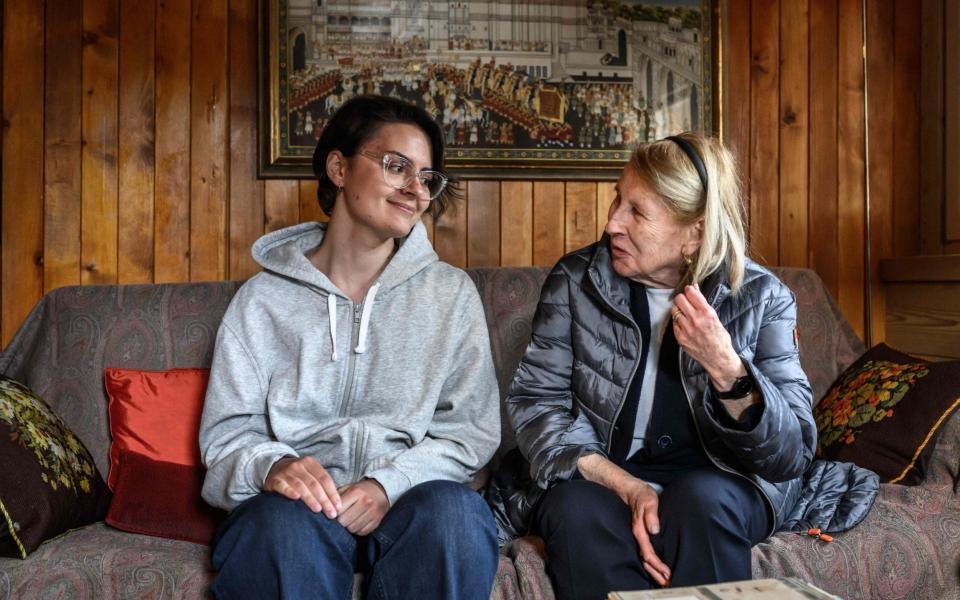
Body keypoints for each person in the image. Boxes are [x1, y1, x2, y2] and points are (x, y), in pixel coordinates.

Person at [491, 133, 878, 599]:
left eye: (637, 211)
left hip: (721, 480)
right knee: (574, 511)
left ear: (695, 231)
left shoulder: (764, 297)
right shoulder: (577, 280)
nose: (611, 223)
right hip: (602, 470)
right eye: (618, 200)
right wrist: (628, 487)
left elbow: (790, 454)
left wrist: (728, 370)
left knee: (703, 503)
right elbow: (538, 407)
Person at [199, 95, 501, 600]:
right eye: (395, 165)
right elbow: (226, 438)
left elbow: (470, 435)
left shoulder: (450, 296)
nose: (414, 188)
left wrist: (388, 484)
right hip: (299, 509)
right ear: (338, 168)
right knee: (281, 535)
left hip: (413, 501)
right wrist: (273, 466)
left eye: (426, 177)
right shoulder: (262, 301)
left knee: (457, 516)